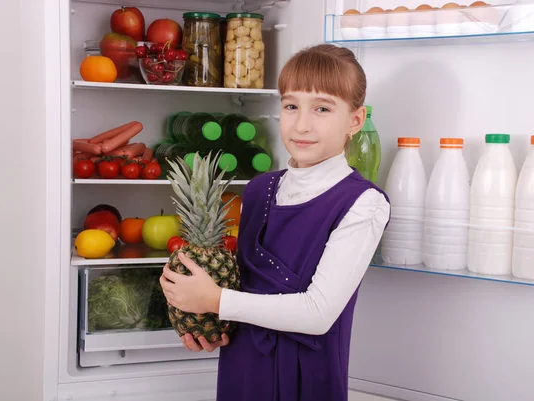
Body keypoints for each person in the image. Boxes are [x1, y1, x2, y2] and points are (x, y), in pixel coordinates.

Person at [160, 43, 391, 401]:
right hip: (242, 364)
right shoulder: (258, 188)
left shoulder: (364, 203)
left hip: (305, 375)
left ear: (355, 121)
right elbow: (241, 283)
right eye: (291, 106)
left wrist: (216, 300)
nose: (302, 124)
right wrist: (195, 307)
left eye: (323, 108)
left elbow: (317, 313)